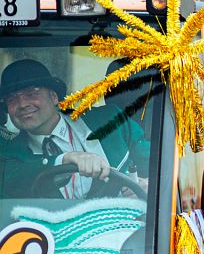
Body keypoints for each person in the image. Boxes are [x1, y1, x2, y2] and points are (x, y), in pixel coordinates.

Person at [0, 58, 147, 198]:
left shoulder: (111, 120)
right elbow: (11, 182)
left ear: (53, 97)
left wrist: (148, 184)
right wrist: (61, 161)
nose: (22, 104)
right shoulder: (6, 153)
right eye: (12, 99)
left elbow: (154, 162)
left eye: (31, 94)